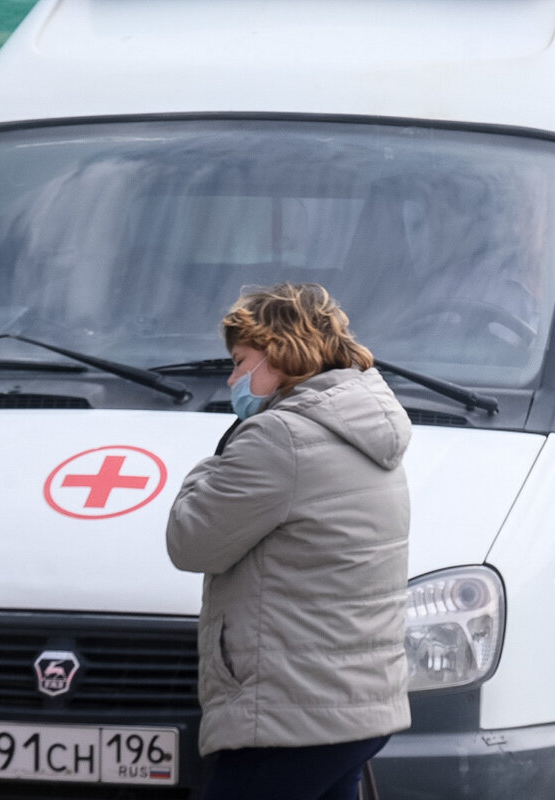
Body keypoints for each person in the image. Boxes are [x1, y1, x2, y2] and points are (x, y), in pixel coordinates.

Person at [165, 283, 413, 800]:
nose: (232, 379)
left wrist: (211, 463)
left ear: (279, 354)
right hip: (352, 707)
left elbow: (190, 541)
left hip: (289, 717)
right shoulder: (363, 424)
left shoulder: (281, 439)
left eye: (239, 362)